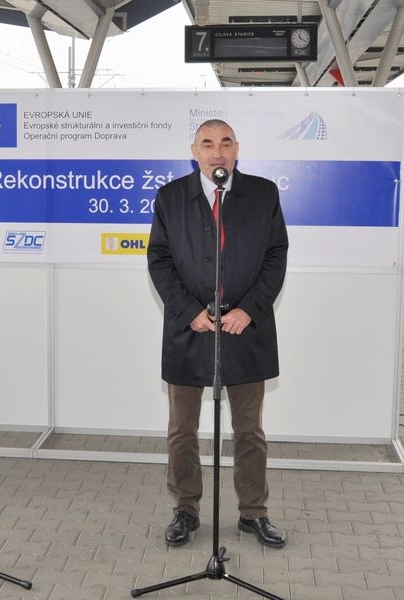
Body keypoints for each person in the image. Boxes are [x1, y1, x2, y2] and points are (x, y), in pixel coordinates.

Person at [147, 119, 289, 548]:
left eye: (225, 143)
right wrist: (189, 312)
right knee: (182, 430)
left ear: (237, 149)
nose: (217, 151)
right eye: (208, 144)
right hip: (190, 330)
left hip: (246, 329)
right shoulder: (172, 197)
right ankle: (186, 510)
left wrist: (250, 309)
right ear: (195, 151)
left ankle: (253, 513)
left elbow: (275, 256)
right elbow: (159, 261)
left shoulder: (262, 193)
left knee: (249, 430)